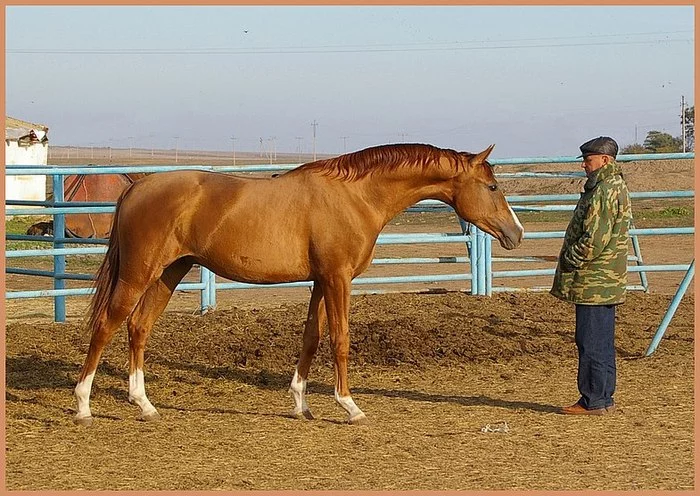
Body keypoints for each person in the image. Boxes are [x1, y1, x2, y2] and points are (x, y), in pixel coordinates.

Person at [550, 136, 632, 415]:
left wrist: (570, 260)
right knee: (601, 340)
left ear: (605, 160)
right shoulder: (612, 185)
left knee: (590, 340)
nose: (585, 165)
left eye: (589, 159)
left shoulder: (603, 190)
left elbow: (594, 239)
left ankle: (593, 400)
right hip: (606, 279)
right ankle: (603, 396)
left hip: (594, 280)